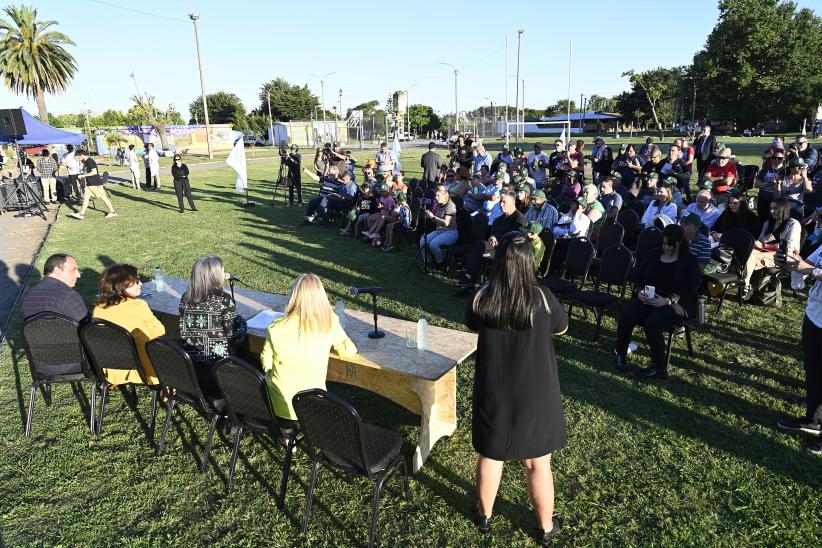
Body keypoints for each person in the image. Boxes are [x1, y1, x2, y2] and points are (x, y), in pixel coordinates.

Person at [466, 235, 568, 544]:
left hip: (494, 390)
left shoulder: (483, 297)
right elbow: (561, 327)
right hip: (536, 393)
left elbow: (473, 324)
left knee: (491, 455)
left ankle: (484, 516)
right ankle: (546, 528)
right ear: (529, 263)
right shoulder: (544, 298)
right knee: (538, 463)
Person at [260, 273, 357, 422]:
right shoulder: (330, 322)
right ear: (321, 297)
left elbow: (266, 364)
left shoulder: (275, 328)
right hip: (312, 403)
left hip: (279, 403)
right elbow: (348, 350)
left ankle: (286, 440)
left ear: (293, 295)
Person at [614, 224, 700, 379]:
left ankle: (659, 368)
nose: (666, 247)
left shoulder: (689, 261)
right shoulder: (654, 254)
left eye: (670, 244)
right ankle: (621, 353)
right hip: (649, 297)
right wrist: (639, 290)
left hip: (675, 303)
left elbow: (689, 288)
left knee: (652, 323)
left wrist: (668, 300)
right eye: (664, 243)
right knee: (628, 314)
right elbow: (639, 276)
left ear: (679, 244)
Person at [178, 256, 247, 396]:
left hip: (191, 365)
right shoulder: (224, 301)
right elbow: (235, 336)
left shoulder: (186, 297)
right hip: (218, 369)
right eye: (222, 271)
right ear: (215, 276)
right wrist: (241, 322)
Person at [780, 246, 822, 454]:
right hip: (815, 314)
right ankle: (813, 419)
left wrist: (811, 270)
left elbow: (813, 270)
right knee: (813, 369)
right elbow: (809, 264)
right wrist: (792, 260)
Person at [92, 264, 164, 385]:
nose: (140, 283)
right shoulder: (138, 306)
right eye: (136, 281)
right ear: (122, 285)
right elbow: (160, 332)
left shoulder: (98, 309)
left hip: (112, 369)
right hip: (143, 369)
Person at [459, 191, 526, 289]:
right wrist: (492, 238)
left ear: (513, 203)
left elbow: (517, 240)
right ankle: (468, 281)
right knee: (479, 247)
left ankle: (468, 280)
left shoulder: (519, 219)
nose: (501, 205)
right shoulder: (498, 220)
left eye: (504, 202)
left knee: (479, 251)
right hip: (493, 252)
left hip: (507, 253)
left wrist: (500, 241)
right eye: (500, 202)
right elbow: (493, 234)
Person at [742, 198, 801, 297]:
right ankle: (746, 284)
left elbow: (789, 247)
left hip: (783, 255)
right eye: (771, 208)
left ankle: (745, 285)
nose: (772, 211)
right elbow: (760, 242)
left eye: (775, 208)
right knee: (748, 252)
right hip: (763, 252)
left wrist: (765, 245)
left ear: (783, 208)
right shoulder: (768, 223)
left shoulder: (793, 224)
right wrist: (763, 241)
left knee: (749, 257)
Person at [20, 253, 86, 322]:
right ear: (57, 271)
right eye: (74, 270)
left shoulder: (28, 296)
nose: (78, 275)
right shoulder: (69, 295)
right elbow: (87, 327)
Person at [68, 149, 117, 220]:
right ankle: (81, 214)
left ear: (81, 155)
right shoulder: (85, 162)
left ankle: (113, 212)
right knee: (86, 198)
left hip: (95, 183)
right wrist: (81, 164)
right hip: (90, 184)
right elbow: (85, 170)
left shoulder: (90, 161)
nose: (78, 159)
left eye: (78, 157)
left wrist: (83, 176)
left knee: (103, 197)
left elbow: (94, 172)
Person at [420, 184, 458, 266]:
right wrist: (430, 217)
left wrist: (432, 217)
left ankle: (440, 261)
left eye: (438, 195)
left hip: (450, 232)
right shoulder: (438, 205)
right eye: (435, 195)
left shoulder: (451, 206)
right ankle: (428, 262)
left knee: (433, 244)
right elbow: (436, 222)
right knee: (422, 242)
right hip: (439, 231)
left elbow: (447, 223)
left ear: (445, 195)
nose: (436, 198)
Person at [754, 148, 787, 226]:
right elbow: (756, 184)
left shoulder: (785, 171)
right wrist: (771, 183)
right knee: (761, 221)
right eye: (774, 157)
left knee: (774, 222)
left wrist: (764, 184)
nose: (777, 160)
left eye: (780, 158)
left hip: (777, 202)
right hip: (763, 199)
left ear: (784, 159)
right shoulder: (766, 169)